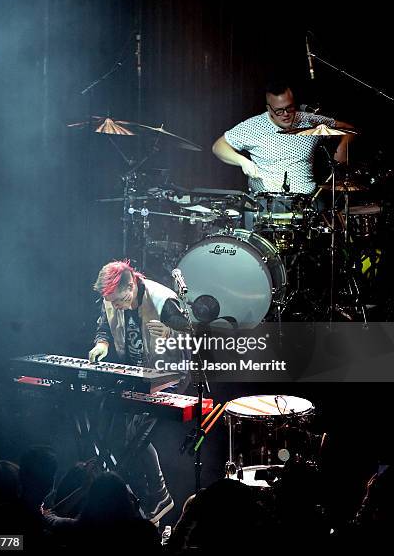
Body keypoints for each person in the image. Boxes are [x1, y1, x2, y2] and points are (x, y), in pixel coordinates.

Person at [88, 260, 190, 524]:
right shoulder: (111, 299)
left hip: (167, 374)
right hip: (136, 374)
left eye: (120, 300)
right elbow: (104, 327)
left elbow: (194, 336)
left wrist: (170, 333)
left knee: (137, 433)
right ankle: (132, 493)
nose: (117, 305)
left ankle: (161, 496)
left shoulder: (163, 300)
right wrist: (101, 343)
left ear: (131, 284)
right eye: (112, 301)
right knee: (106, 424)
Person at [212, 80, 354, 195]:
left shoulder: (310, 121)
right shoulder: (254, 126)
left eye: (289, 108)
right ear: (269, 109)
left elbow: (348, 129)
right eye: (279, 110)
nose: (285, 114)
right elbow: (218, 146)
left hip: (306, 205)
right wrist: (242, 161)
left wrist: (343, 147)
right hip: (266, 207)